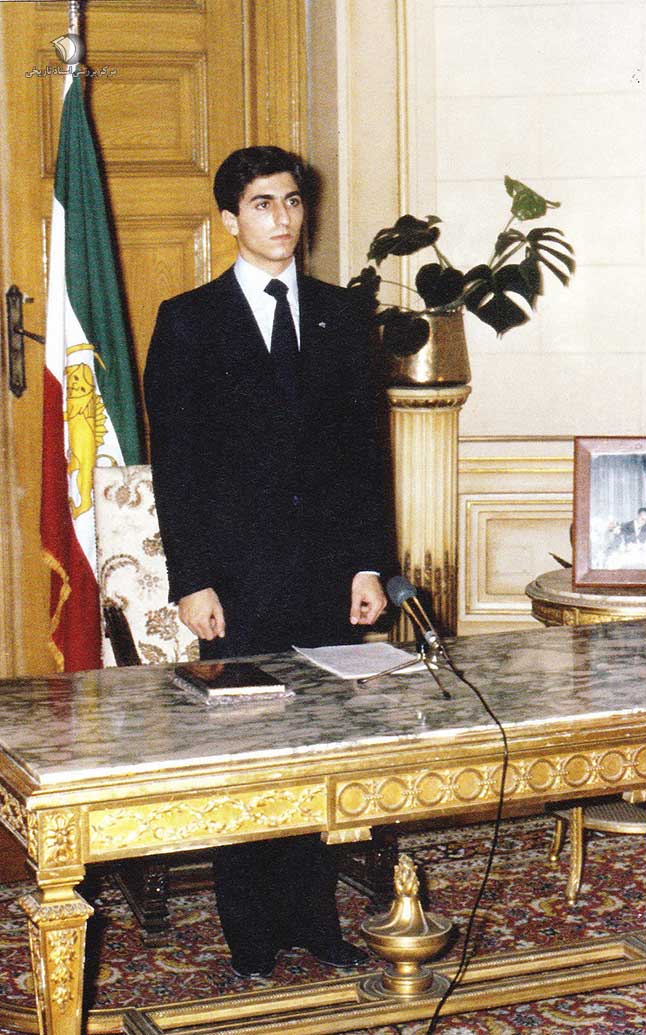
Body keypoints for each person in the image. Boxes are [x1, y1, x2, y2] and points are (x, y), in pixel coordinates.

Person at [144, 145, 388, 978]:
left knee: (319, 745)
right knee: (248, 749)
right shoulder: (189, 320)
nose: (282, 219)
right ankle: (250, 934)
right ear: (228, 219)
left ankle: (316, 921)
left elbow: (365, 453)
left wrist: (367, 563)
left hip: (325, 574)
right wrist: (191, 580)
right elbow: (177, 465)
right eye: (261, 204)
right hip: (236, 580)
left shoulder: (342, 314)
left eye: (291, 201)